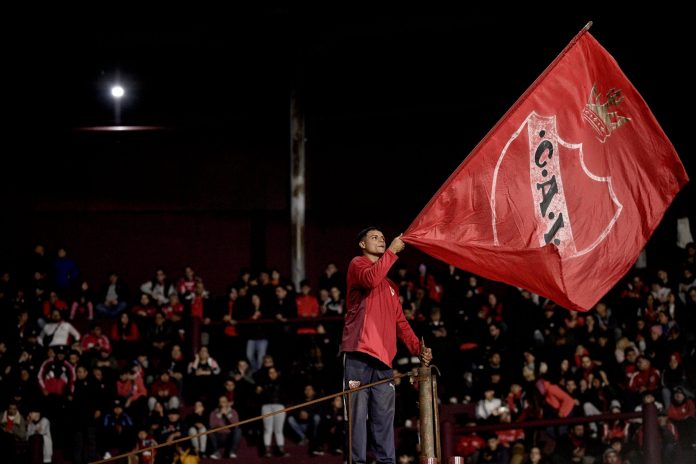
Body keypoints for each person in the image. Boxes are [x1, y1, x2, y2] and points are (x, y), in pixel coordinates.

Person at [341, 227, 432, 464]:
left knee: (383, 418)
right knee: (357, 418)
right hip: (359, 354)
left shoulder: (391, 285)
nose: (381, 240)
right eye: (374, 237)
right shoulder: (357, 265)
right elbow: (371, 279)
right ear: (362, 244)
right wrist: (392, 250)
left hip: (383, 360)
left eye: (383, 238)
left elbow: (400, 322)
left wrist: (417, 349)